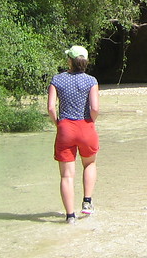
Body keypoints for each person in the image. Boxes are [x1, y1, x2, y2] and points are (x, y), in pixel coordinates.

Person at [47, 45, 100, 224]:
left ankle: (70, 217)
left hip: (65, 128)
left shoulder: (57, 80)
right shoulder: (91, 81)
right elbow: (95, 108)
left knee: (66, 175)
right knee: (89, 164)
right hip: (85, 126)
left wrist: (58, 123)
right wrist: (91, 122)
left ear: (70, 60)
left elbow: (50, 108)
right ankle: (87, 202)